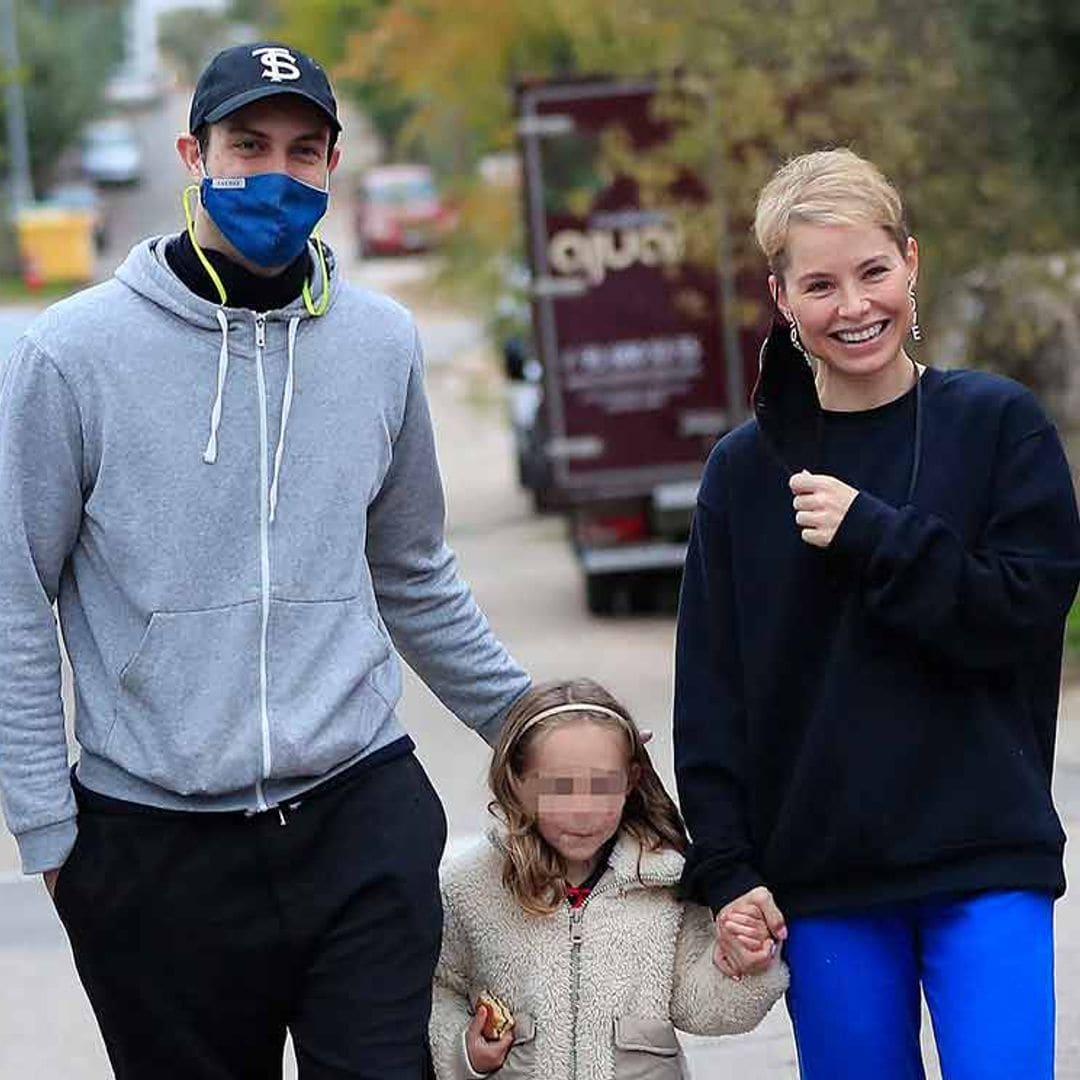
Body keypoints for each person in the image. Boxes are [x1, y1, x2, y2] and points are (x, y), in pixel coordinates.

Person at [0, 41, 529, 1080]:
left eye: (303, 150)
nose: (275, 175)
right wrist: (51, 840)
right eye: (248, 146)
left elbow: (413, 566)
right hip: (153, 848)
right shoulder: (71, 355)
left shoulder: (381, 342)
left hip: (357, 816)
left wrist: (532, 722)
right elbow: (16, 599)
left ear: (333, 163)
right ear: (193, 153)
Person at [673, 146, 1080, 1079]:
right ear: (782, 300)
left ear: (911, 261)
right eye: (819, 284)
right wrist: (730, 869)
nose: (853, 306)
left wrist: (876, 535)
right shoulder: (743, 474)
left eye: (872, 272)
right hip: (825, 882)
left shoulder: (999, 426)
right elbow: (712, 694)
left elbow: (1021, 615)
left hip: (988, 858)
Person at [429, 678, 787, 1079]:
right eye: (561, 788)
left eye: (602, 785)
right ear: (517, 781)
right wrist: (464, 1054)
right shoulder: (471, 887)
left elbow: (702, 1008)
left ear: (631, 781)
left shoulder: (665, 884)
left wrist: (740, 964)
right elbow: (436, 988)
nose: (583, 811)